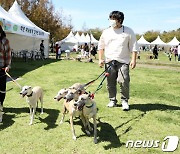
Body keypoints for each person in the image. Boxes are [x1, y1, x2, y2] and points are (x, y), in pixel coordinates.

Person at [98, 11, 138, 110]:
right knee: (110, 82)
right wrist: (100, 59)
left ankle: (124, 101)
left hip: (123, 61)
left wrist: (133, 60)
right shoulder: (106, 32)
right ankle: (112, 100)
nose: (111, 21)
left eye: (113, 19)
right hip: (109, 61)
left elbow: (134, 46)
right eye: (110, 19)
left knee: (124, 81)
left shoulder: (128, 31)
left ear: (119, 20)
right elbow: (101, 46)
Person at [0, 25, 11, 114]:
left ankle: (1, 104)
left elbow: (8, 55)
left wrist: (8, 66)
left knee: (2, 89)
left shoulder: (5, 41)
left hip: (2, 69)